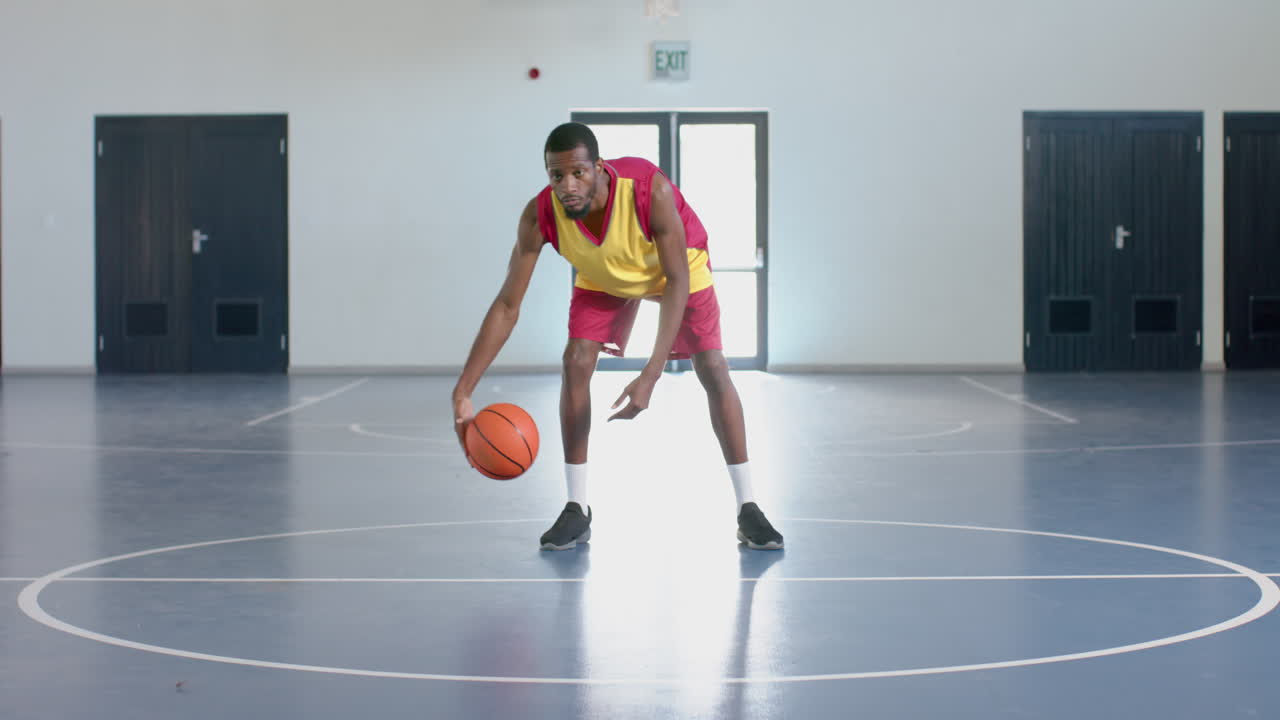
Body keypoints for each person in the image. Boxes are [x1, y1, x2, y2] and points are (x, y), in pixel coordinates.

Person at [452, 122, 783, 551]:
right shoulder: (540, 215)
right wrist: (463, 390)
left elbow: (676, 282)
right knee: (575, 362)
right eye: (556, 176)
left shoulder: (649, 190)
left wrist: (651, 373)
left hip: (677, 269)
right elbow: (507, 306)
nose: (567, 185)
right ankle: (576, 507)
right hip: (604, 276)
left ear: (600, 168)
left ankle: (749, 508)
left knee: (714, 366)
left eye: (579, 173)